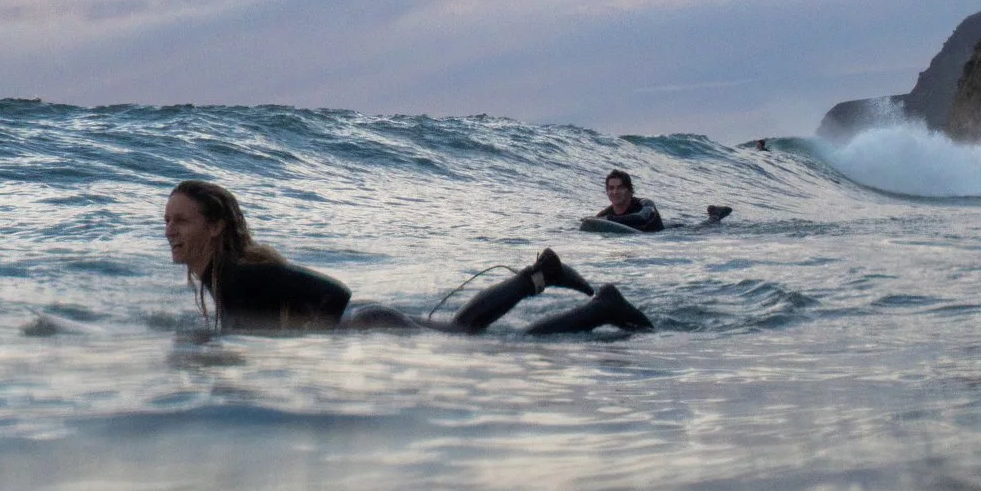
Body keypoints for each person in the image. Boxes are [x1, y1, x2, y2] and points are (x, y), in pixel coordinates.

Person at [163, 179, 652, 334]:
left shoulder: (239, 277)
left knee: (489, 342)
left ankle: (600, 307)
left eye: (181, 221)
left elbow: (333, 293)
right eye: (167, 222)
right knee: (466, 331)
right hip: (369, 326)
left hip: (369, 327)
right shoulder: (224, 277)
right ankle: (540, 276)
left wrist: (318, 344)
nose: (170, 231)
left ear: (216, 225)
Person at [586, 169, 664, 233]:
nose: (615, 192)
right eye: (611, 188)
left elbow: (643, 218)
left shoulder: (645, 204)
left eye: (620, 188)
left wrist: (610, 219)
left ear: (629, 190)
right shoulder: (606, 214)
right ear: (607, 192)